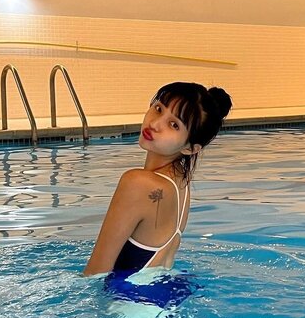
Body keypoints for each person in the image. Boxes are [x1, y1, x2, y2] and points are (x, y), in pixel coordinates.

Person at [83, 82, 232, 279]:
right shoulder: (181, 182)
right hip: (171, 289)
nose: (155, 124)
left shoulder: (137, 183)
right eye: (159, 108)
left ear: (190, 148)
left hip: (132, 297)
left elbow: (96, 272)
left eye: (174, 125)